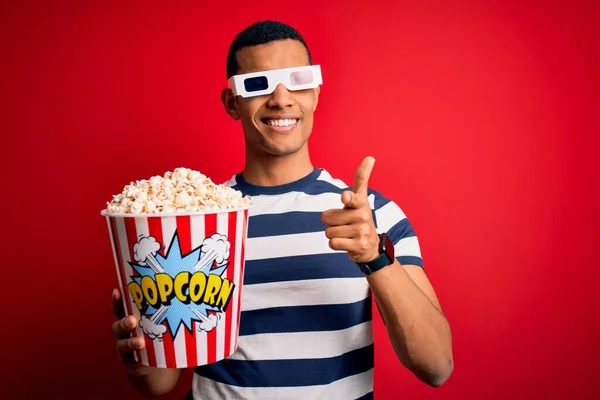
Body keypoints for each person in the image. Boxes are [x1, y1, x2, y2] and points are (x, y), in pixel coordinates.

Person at [110, 20, 453, 399]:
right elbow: (159, 383)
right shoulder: (193, 220)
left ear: (316, 94)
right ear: (231, 103)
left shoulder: (374, 215)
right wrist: (141, 352)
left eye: (298, 80)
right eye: (257, 84)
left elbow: (436, 366)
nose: (282, 98)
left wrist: (374, 256)